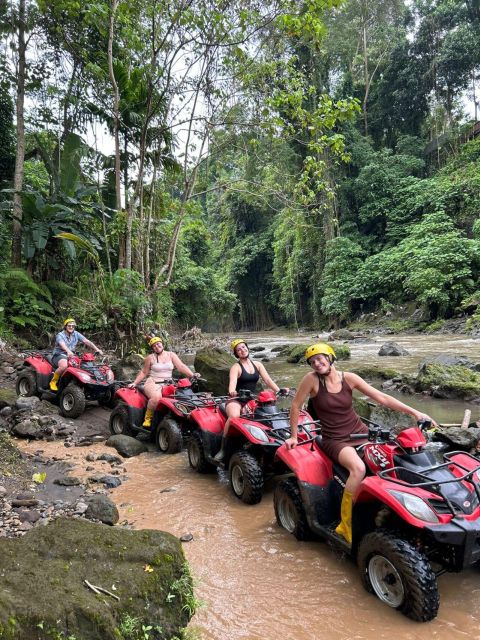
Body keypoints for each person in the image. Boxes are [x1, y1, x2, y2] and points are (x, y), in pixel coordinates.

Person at [284, 342, 435, 544]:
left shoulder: (350, 378)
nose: (317, 363)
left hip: (360, 431)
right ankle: (346, 523)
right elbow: (295, 406)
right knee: (358, 468)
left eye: (320, 358)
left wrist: (416, 412)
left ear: (330, 357)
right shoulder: (311, 380)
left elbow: (382, 397)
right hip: (335, 438)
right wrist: (294, 436)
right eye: (312, 362)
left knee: (391, 459)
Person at [214, 338, 288, 461]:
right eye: (239, 349)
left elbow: (268, 380)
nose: (242, 350)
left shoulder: (258, 364)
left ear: (247, 348)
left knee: (269, 415)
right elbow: (232, 382)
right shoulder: (235, 367)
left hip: (252, 399)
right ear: (236, 353)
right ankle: (223, 449)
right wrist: (232, 391)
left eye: (243, 347)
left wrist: (278, 390)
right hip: (237, 399)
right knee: (234, 417)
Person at [129, 336, 198, 428]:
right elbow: (144, 372)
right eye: (154, 346)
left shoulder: (171, 355)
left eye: (158, 344)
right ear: (152, 348)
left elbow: (181, 366)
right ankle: (148, 419)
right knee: (156, 397)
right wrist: (135, 383)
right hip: (153, 382)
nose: (157, 347)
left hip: (168, 383)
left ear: (162, 343)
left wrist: (192, 375)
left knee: (181, 396)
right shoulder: (150, 358)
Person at [49, 318, 106, 391]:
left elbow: (86, 341)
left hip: (72, 355)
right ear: (65, 326)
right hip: (59, 354)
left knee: (83, 365)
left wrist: (97, 349)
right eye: (69, 326)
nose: (71, 327)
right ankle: (53, 381)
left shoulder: (76, 333)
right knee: (64, 366)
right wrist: (68, 351)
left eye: (73, 326)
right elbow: (62, 344)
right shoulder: (60, 335)